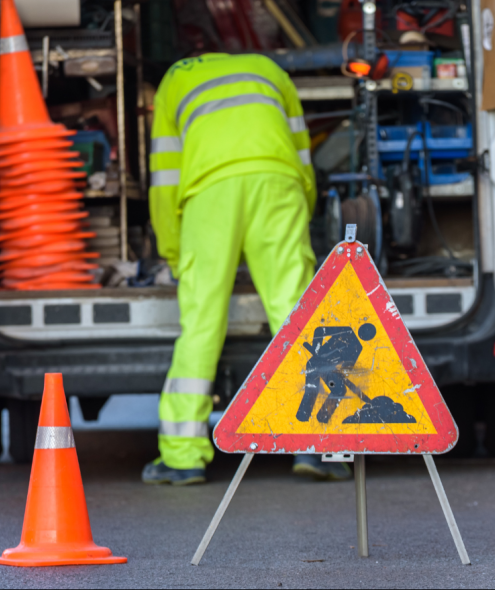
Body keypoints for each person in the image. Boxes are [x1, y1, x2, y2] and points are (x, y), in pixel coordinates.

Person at [142, 52, 351, 485]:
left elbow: (164, 179)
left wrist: (174, 252)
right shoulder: (271, 71)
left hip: (210, 190)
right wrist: (299, 214)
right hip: (278, 182)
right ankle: (320, 448)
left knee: (201, 322)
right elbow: (303, 157)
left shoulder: (174, 79)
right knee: (298, 316)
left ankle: (183, 457)